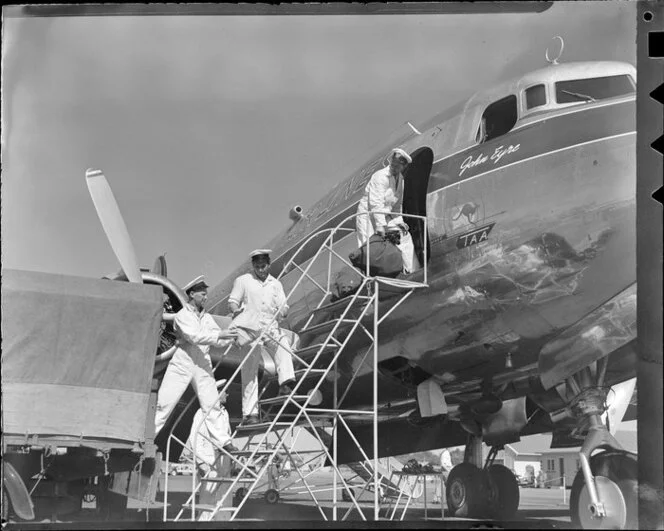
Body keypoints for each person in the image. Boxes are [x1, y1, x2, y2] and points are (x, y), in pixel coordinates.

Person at [154, 275, 237, 452]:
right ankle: (148, 437)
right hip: (183, 362)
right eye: (202, 294)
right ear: (192, 294)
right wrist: (219, 335)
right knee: (165, 403)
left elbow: (217, 340)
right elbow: (193, 336)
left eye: (206, 294)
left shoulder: (206, 318)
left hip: (202, 362)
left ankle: (225, 442)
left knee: (212, 403)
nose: (205, 297)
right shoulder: (182, 316)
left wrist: (231, 338)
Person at [228, 250, 298, 425]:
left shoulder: (276, 284)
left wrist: (284, 310)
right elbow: (232, 301)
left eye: (263, 266)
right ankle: (250, 414)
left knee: (283, 344)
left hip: (270, 325)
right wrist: (235, 309)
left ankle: (286, 384)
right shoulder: (243, 280)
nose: (260, 270)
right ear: (253, 266)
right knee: (250, 369)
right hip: (250, 326)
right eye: (257, 267)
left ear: (269, 264)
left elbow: (283, 306)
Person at [355, 147, 412, 248]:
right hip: (368, 216)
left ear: (403, 166)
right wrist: (380, 225)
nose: (393, 167)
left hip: (385, 216)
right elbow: (376, 203)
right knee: (370, 245)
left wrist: (399, 221)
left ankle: (409, 264)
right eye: (393, 164)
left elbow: (397, 205)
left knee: (404, 238)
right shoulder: (380, 176)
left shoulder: (401, 180)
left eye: (397, 165)